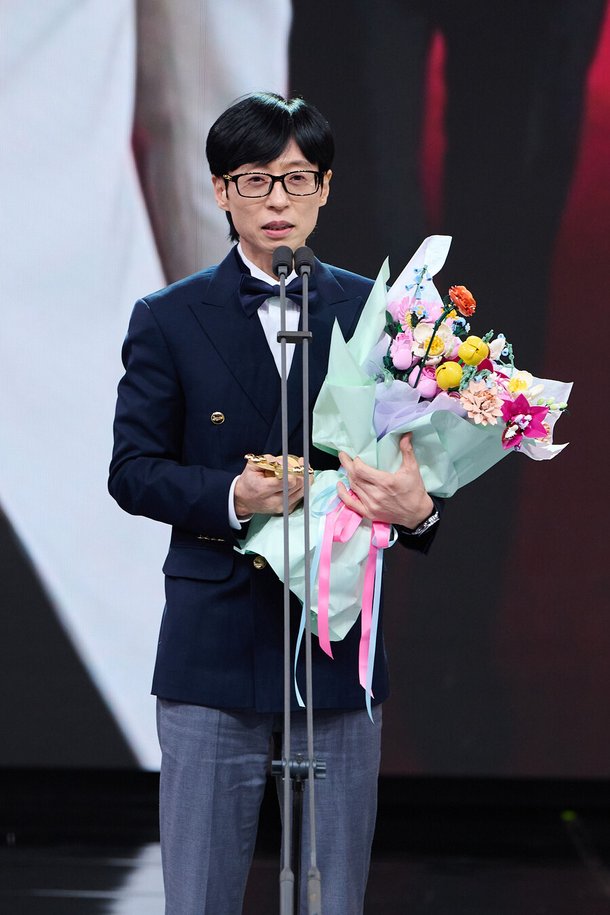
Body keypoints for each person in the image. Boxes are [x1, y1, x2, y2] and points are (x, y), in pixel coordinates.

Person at [109, 92, 441, 915]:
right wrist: (233, 494)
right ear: (222, 191)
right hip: (213, 647)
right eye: (256, 179)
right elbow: (133, 470)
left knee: (335, 895)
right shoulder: (168, 318)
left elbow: (415, 470)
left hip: (334, 642)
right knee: (199, 894)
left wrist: (419, 510)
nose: (278, 200)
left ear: (325, 187)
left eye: (297, 178)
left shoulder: (379, 316)